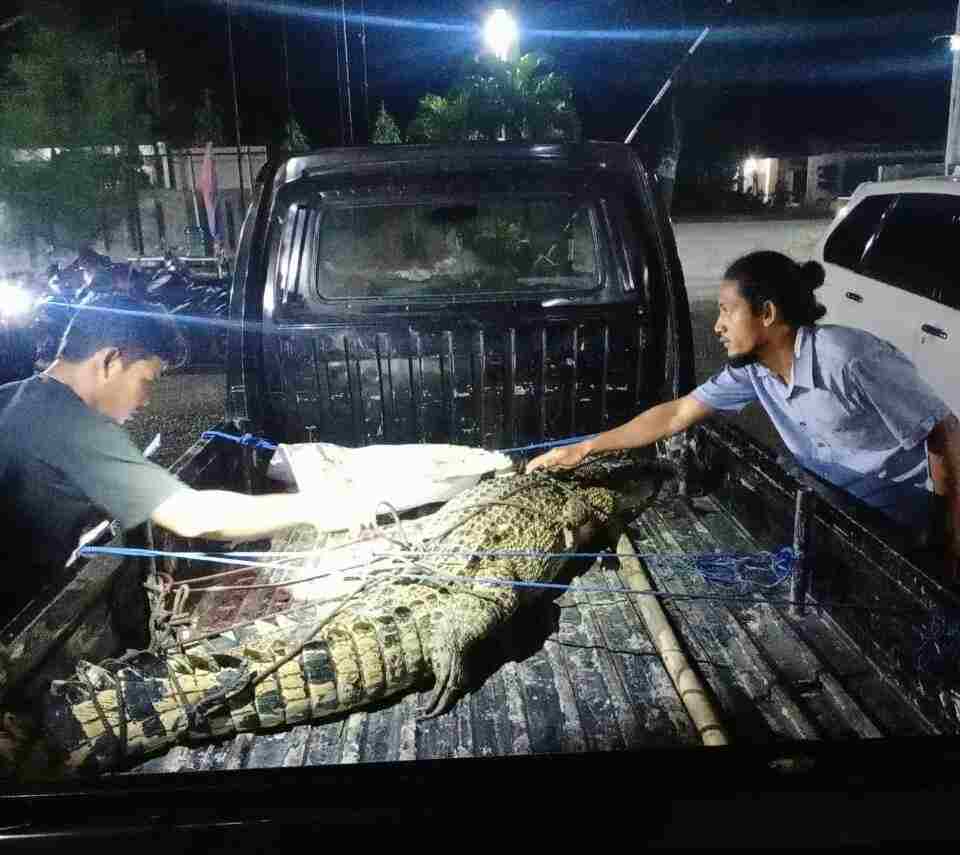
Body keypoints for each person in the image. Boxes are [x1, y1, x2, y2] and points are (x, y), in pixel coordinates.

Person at [527, 251, 960, 581]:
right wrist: (583, 449)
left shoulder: (848, 357)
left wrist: (946, 537)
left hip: (910, 518)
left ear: (767, 314)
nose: (717, 325)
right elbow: (677, 413)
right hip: (845, 515)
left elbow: (944, 433)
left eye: (725, 310)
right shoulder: (756, 372)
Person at [0, 295, 326, 619]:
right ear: (110, 361)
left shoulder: (14, 394)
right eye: (146, 381)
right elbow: (192, 516)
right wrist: (317, 507)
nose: (145, 401)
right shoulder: (71, 423)